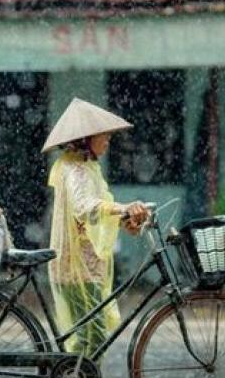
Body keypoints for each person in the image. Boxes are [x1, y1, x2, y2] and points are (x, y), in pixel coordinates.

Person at [42, 97, 149, 359]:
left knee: (91, 335)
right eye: (104, 137)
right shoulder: (74, 170)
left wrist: (126, 219)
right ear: (86, 139)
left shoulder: (88, 168)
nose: (107, 142)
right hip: (75, 267)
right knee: (92, 335)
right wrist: (123, 208)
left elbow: (100, 210)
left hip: (86, 265)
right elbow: (86, 207)